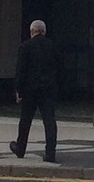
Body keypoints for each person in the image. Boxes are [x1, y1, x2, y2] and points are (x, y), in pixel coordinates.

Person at [11, 18, 61, 162]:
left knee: (25, 120)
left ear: (32, 32)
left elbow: (20, 70)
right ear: (44, 32)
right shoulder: (52, 46)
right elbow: (60, 67)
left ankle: (20, 149)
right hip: (48, 90)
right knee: (50, 121)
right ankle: (50, 153)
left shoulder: (25, 46)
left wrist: (18, 90)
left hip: (30, 90)